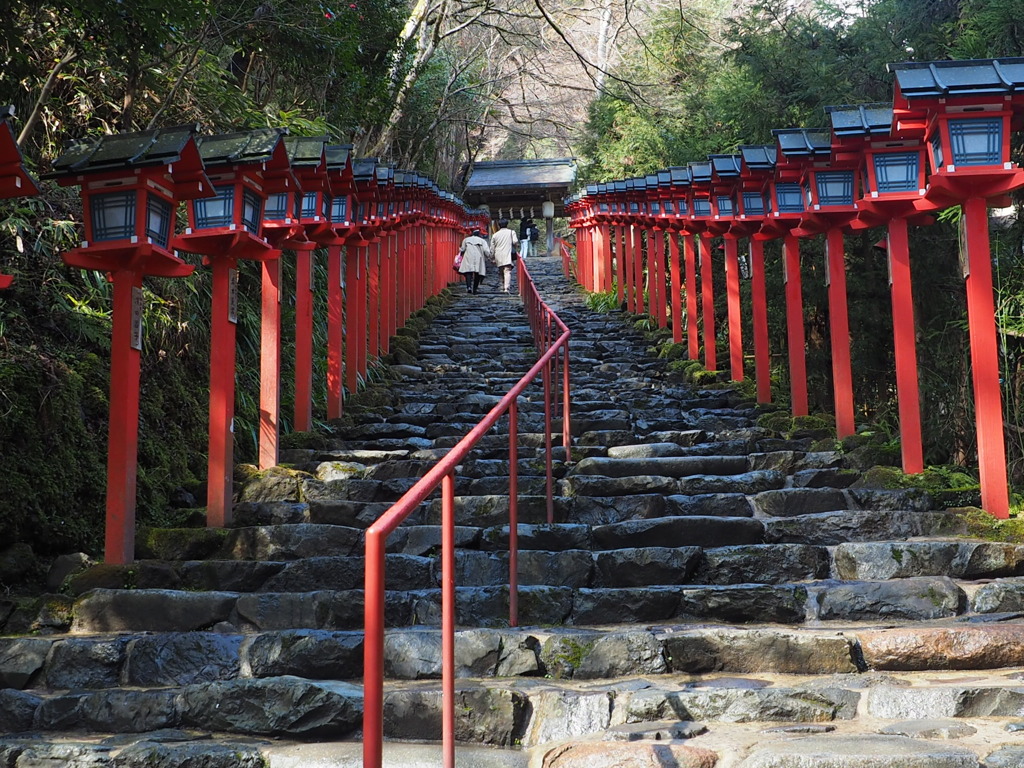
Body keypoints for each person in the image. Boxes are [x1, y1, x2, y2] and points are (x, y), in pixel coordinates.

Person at [458, 227, 489, 294]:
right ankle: (475, 288)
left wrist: (459, 249)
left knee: (468, 272)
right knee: (477, 273)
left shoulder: (466, 240)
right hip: (479, 258)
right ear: (479, 234)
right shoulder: (482, 241)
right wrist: (490, 257)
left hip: (468, 256)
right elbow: (486, 251)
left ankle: (468, 287)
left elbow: (462, 249)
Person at [492, 218, 519, 293]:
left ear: (499, 225)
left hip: (498, 254)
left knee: (500, 270)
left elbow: (492, 247)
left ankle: (501, 285)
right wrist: (516, 246)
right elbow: (515, 241)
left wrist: (492, 257)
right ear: (507, 224)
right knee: (507, 271)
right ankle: (506, 288)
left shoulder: (495, 235)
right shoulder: (511, 232)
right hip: (507, 254)